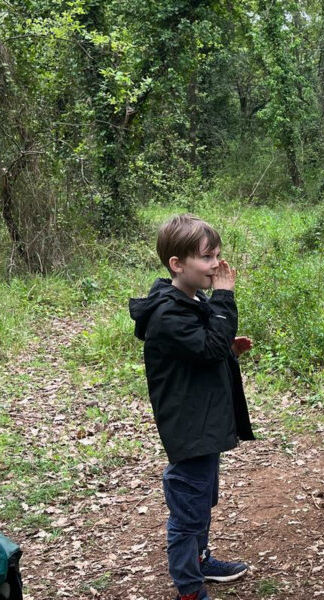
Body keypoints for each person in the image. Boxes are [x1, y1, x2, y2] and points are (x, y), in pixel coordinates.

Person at [129, 214, 255, 600]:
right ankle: (188, 588)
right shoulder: (168, 313)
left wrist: (227, 349)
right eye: (206, 257)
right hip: (189, 426)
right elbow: (207, 346)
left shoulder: (191, 299)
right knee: (188, 509)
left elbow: (203, 350)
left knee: (200, 501)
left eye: (217, 255)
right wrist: (225, 298)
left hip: (204, 420)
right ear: (177, 264)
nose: (216, 265)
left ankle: (200, 561)